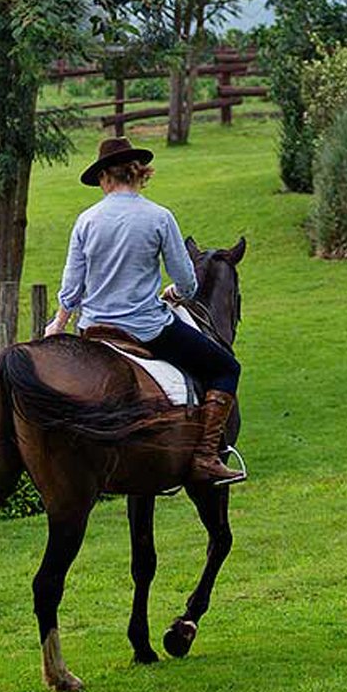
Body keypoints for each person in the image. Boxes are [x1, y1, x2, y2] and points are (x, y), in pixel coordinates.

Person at [44, 136, 245, 487]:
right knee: (226, 367)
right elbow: (187, 283)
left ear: (105, 177)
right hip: (147, 329)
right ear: (138, 174)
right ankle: (206, 456)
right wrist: (176, 292)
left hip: (93, 330)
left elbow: (72, 286)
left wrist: (59, 324)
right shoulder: (159, 217)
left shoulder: (86, 220)